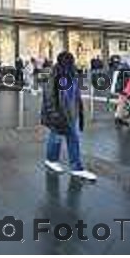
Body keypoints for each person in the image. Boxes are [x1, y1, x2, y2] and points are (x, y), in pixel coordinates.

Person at [40, 51, 97, 181]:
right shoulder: (54, 75)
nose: (72, 64)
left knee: (70, 138)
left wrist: (80, 112)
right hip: (60, 114)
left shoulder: (72, 74)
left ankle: (74, 166)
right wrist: (55, 116)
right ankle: (55, 161)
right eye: (70, 61)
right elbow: (49, 98)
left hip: (72, 114)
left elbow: (76, 96)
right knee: (57, 138)